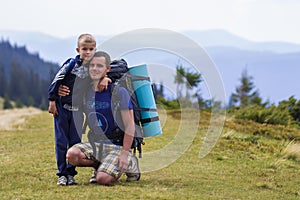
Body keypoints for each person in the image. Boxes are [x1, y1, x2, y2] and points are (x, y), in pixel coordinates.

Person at [66, 51, 141, 185]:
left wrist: (124, 153)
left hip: (117, 145)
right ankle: (100, 165)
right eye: (92, 65)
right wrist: (57, 93)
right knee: (72, 155)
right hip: (96, 144)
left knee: (102, 179)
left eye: (99, 66)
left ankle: (130, 161)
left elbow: (130, 125)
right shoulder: (85, 92)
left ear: (107, 69)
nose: (95, 68)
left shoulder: (118, 92)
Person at [48, 33, 103, 186]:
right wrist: (52, 100)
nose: (88, 52)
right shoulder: (71, 64)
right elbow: (57, 79)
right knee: (61, 141)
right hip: (62, 108)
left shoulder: (95, 66)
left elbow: (109, 69)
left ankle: (71, 174)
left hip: (78, 111)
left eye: (91, 49)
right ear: (78, 49)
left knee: (75, 143)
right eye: (84, 49)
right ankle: (62, 174)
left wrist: (104, 78)